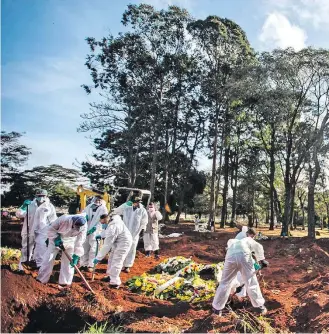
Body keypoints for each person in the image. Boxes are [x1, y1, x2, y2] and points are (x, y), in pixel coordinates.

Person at [212, 228, 267, 316]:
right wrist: (262, 260)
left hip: (230, 257)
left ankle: (217, 309)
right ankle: (259, 307)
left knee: (224, 283)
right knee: (251, 281)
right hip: (244, 255)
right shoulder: (249, 239)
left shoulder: (233, 241)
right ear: (251, 235)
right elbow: (258, 247)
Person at [37, 215, 87, 288]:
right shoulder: (63, 219)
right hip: (56, 239)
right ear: (72, 222)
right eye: (76, 226)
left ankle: (64, 283)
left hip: (71, 241)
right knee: (48, 259)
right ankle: (41, 280)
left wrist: (76, 255)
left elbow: (80, 240)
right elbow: (51, 229)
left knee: (68, 263)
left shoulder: (84, 226)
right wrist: (56, 238)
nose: (78, 228)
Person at [16, 189, 57, 270]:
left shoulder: (49, 206)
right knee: (26, 248)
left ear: (46, 196)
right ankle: (22, 268)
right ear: (35, 196)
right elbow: (19, 214)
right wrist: (23, 207)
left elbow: (53, 220)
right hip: (28, 229)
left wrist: (52, 231)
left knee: (41, 247)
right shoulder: (29, 204)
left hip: (42, 231)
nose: (41, 198)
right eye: (39, 196)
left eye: (43, 196)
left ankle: (38, 266)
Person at [93, 214, 132, 288]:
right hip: (117, 241)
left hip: (124, 243)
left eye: (103, 223)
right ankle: (110, 276)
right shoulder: (112, 221)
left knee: (117, 260)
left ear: (107, 220)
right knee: (111, 258)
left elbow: (107, 245)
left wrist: (98, 257)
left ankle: (115, 282)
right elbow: (107, 231)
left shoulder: (113, 227)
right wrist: (101, 235)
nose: (102, 225)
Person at [113, 197, 148, 273]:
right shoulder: (126, 209)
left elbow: (144, 221)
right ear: (133, 202)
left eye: (139, 202)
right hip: (124, 232)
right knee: (122, 248)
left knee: (132, 249)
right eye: (136, 202)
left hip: (135, 233)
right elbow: (116, 211)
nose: (138, 203)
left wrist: (143, 229)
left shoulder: (142, 210)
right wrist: (124, 204)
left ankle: (127, 266)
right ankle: (120, 265)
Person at [80, 196, 108, 272]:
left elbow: (103, 220)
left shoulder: (103, 208)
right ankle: (83, 264)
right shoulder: (89, 206)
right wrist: (84, 218)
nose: (97, 201)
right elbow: (83, 214)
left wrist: (95, 228)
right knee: (84, 246)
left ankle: (91, 265)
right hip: (86, 229)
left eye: (99, 199)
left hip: (96, 231)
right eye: (96, 199)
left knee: (93, 248)